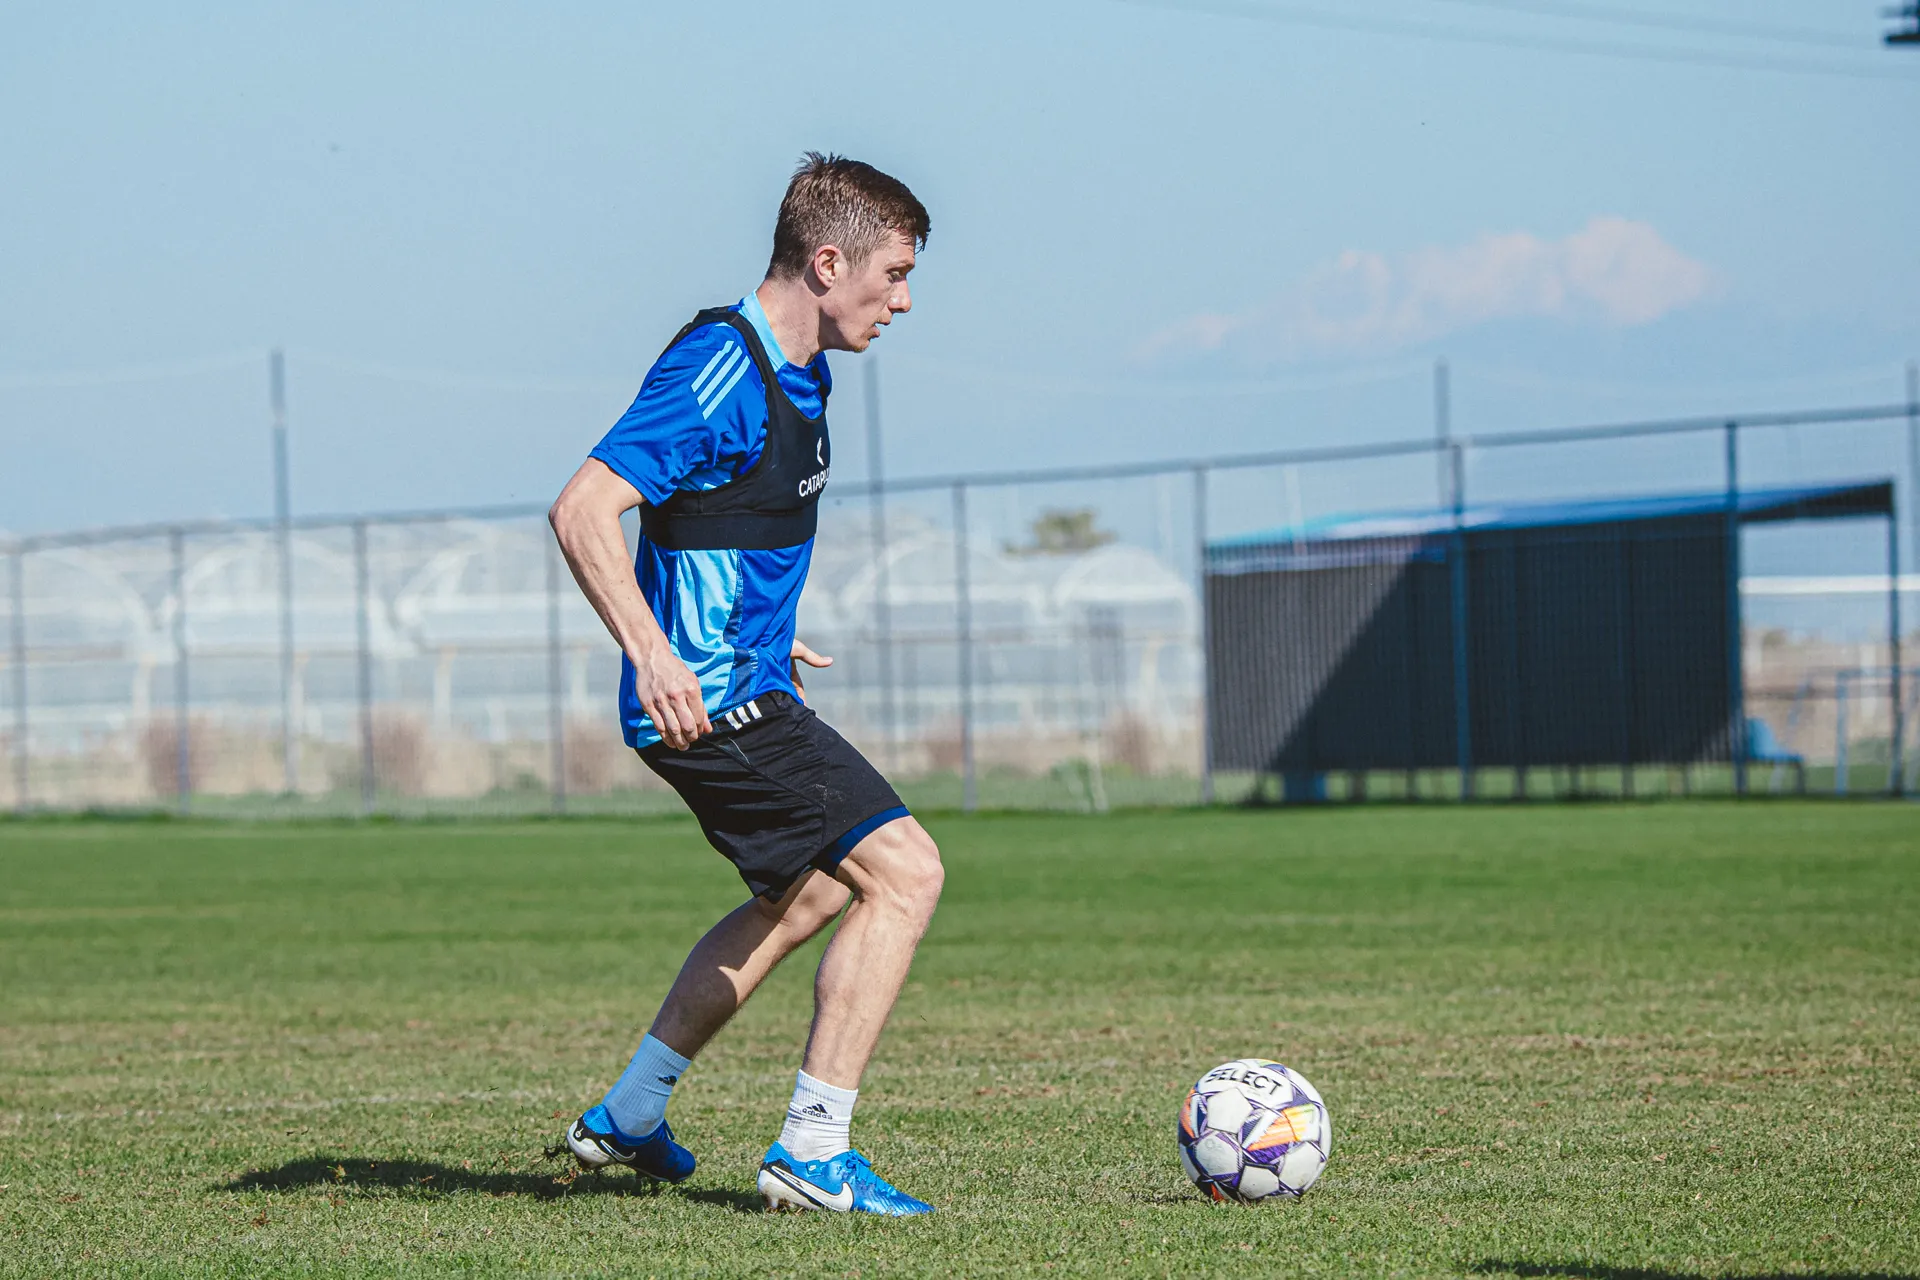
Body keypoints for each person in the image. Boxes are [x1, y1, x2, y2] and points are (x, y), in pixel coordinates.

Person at [547, 154, 941, 1216]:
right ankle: (814, 1149)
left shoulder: (806, 375)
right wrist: (653, 648)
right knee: (906, 873)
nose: (903, 301)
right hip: (714, 703)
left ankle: (630, 1112)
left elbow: (714, 516)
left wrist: (766, 625)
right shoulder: (722, 366)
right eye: (895, 274)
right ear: (829, 262)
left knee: (806, 893)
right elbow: (584, 507)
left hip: (748, 680)